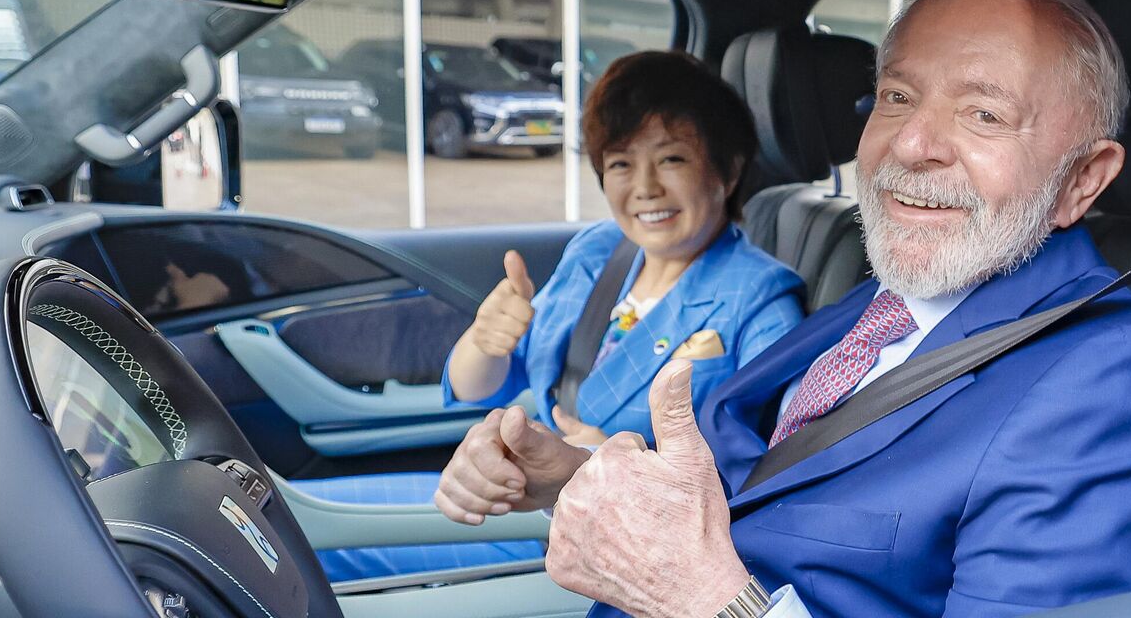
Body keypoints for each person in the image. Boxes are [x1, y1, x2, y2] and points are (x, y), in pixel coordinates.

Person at [433, 0, 1131, 616]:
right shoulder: (887, 304)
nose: (912, 145)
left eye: (983, 115)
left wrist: (713, 601)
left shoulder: (1116, 388)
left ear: (1082, 180)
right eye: (898, 97)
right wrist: (573, 479)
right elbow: (749, 495)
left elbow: (709, 574)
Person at [302, 50, 806, 582]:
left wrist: (597, 464)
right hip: (521, 496)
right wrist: (486, 341)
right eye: (620, 163)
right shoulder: (600, 251)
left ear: (726, 172)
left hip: (606, 544)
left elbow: (766, 485)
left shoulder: (762, 302)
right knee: (271, 516)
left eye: (671, 159)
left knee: (293, 548)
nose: (646, 187)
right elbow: (482, 387)